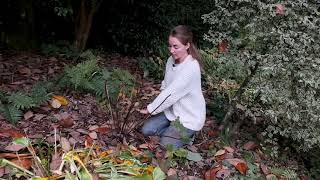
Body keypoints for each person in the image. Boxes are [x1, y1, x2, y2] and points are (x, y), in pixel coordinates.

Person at [140, 25, 206, 149]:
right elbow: (166, 84)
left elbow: (171, 93)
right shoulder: (171, 60)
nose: (171, 50)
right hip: (172, 112)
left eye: (176, 47)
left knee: (166, 146)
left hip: (188, 118)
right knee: (146, 130)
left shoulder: (191, 67)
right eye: (170, 46)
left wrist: (151, 109)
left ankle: (188, 136)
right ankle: (173, 132)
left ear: (187, 45)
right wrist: (157, 106)